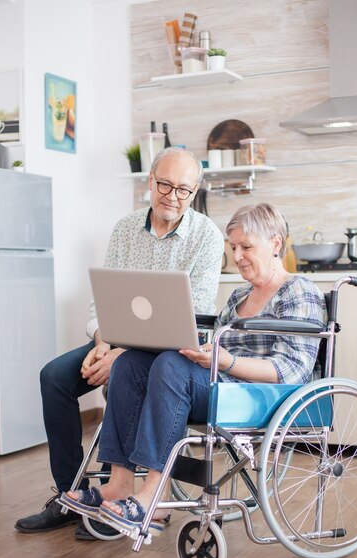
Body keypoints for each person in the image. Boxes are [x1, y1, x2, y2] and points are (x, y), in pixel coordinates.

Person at [60, 202, 327, 536]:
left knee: (172, 366)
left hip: (263, 395)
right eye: (234, 247)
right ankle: (120, 483)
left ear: (275, 244)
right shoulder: (239, 296)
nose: (238, 255)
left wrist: (224, 361)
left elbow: (291, 370)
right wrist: (201, 351)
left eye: (246, 247)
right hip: (222, 384)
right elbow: (219, 351)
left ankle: (154, 495)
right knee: (129, 364)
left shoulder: (299, 290)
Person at [15, 147, 224, 536]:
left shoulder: (206, 237)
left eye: (184, 190)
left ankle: (120, 497)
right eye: (165, 184)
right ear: (150, 180)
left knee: (128, 371)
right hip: (114, 340)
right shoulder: (126, 229)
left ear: (194, 192)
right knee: (54, 377)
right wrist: (101, 342)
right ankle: (70, 495)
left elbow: (191, 315)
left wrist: (122, 353)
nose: (172, 197)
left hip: (168, 351)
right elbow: (103, 299)